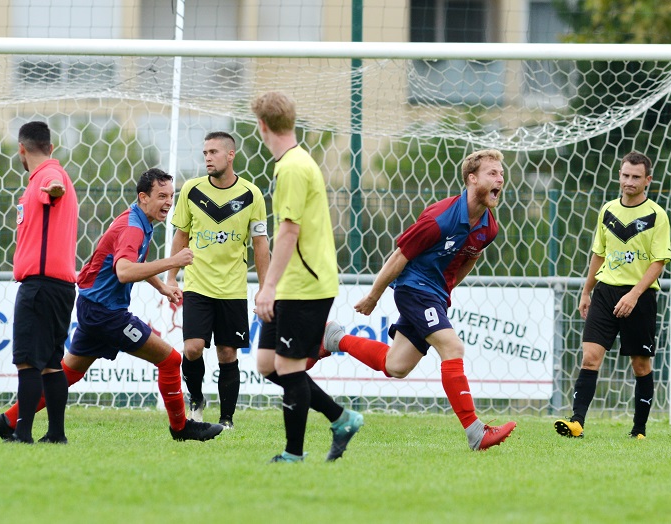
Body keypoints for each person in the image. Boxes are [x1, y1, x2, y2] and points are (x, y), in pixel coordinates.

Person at [0, 169, 224, 443]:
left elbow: (132, 262)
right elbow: (124, 271)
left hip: (94, 308)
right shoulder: (133, 227)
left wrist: (163, 287)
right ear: (143, 197)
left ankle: (8, 420)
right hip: (105, 314)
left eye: (171, 196)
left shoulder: (137, 220)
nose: (169, 202)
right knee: (171, 360)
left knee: (68, 374)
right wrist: (174, 261)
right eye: (162, 196)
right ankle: (181, 428)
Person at [321, 149, 516, 452]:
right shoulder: (439, 218)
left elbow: (470, 258)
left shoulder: (489, 226)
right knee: (452, 347)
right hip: (413, 289)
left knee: (396, 365)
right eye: (492, 173)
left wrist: (447, 289)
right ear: (471, 178)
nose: (500, 179)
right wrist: (374, 295)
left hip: (434, 295)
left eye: (501, 174)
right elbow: (399, 256)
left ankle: (335, 338)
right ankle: (476, 433)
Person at [252, 91, 363, 463]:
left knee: (288, 366)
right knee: (268, 364)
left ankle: (292, 454)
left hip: (306, 285)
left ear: (262, 126)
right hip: (291, 282)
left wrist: (267, 286)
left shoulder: (293, 167)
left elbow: (288, 232)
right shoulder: (289, 163)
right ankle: (341, 417)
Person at [554, 151, 671, 440]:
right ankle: (577, 422)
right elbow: (598, 254)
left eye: (635, 177)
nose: (629, 181)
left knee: (640, 365)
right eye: (625, 175)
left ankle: (639, 430)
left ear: (648, 180)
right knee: (590, 357)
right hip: (606, 292)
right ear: (619, 175)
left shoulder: (657, 215)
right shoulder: (607, 210)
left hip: (639, 297)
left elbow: (658, 262)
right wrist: (586, 291)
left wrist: (634, 294)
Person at [166, 132, 270, 429]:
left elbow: (261, 243)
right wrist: (171, 277)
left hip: (233, 287)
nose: (208, 157)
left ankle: (227, 419)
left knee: (227, 353)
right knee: (193, 348)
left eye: (213, 152)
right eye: (205, 153)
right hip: (198, 284)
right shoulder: (191, 190)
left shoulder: (252, 194)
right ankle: (197, 399)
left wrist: (265, 288)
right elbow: (181, 234)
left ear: (230, 155)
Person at [0, 121, 79, 443]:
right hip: (58, 287)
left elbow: (54, 182)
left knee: (27, 362)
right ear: (51, 146)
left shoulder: (47, 175)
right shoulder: (42, 178)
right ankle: (56, 434)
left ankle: (23, 433)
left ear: (21, 149)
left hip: (41, 286)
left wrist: (54, 188)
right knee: (50, 364)